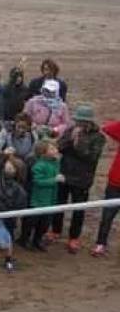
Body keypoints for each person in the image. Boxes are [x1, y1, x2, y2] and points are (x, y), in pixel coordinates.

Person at [50, 105, 105, 253]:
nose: (79, 124)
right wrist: (69, 140)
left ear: (89, 122)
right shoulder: (70, 130)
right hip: (65, 174)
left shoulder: (98, 137)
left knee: (78, 210)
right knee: (59, 204)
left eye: (82, 121)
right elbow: (59, 147)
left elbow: (91, 157)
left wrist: (77, 144)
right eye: (78, 121)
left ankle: (74, 237)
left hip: (82, 178)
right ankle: (55, 230)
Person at [19, 140, 62, 252]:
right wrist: (54, 180)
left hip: (50, 199)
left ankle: (37, 240)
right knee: (31, 222)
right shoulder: (39, 165)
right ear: (43, 152)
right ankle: (25, 239)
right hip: (37, 200)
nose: (56, 151)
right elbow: (37, 181)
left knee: (44, 223)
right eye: (52, 149)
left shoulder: (55, 163)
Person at [92, 119, 120, 257]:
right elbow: (108, 129)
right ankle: (100, 243)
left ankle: (100, 244)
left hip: (115, 180)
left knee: (107, 215)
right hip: (116, 182)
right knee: (107, 215)